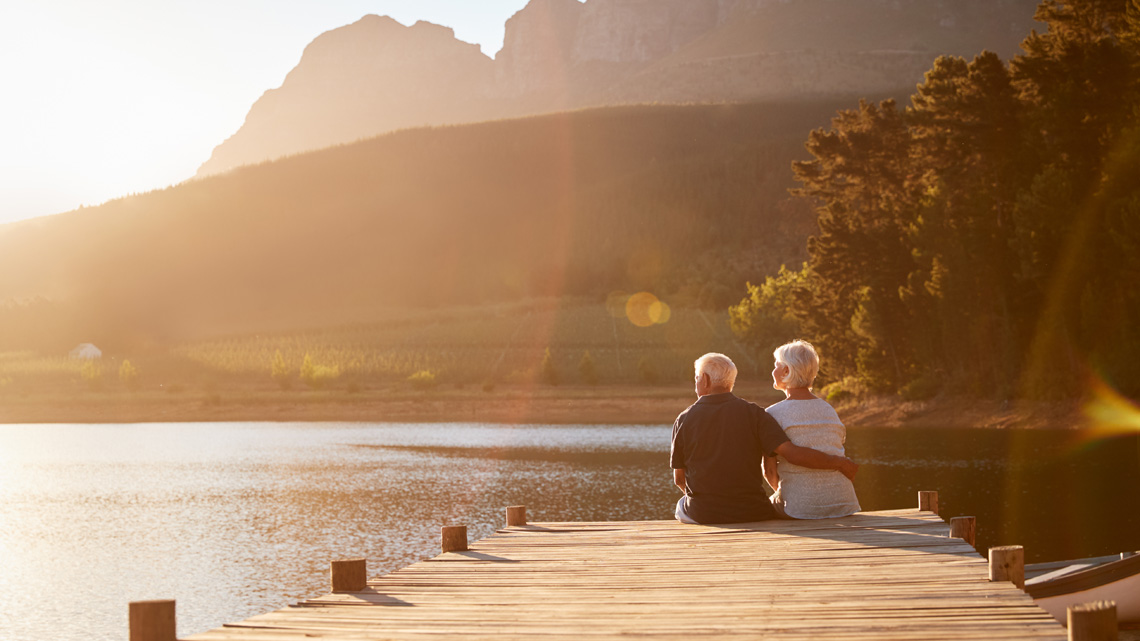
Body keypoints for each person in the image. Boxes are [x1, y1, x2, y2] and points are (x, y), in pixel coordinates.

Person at [671, 352, 858, 525]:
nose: (696, 383)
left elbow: (679, 479)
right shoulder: (756, 414)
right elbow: (788, 454)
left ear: (704, 380)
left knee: (681, 506)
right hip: (753, 511)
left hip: (703, 513)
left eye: (696, 378)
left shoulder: (683, 419)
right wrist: (839, 462)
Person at [764, 340, 861, 519]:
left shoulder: (772, 414)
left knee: (764, 506)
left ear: (786, 371)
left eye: (776, 365)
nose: (773, 371)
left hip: (800, 509)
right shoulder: (829, 410)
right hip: (844, 504)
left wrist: (790, 495)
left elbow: (769, 471)